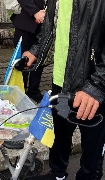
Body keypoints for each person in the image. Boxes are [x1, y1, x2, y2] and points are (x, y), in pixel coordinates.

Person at [23, 0, 105, 179]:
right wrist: (36, 50)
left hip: (92, 86)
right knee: (60, 135)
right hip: (61, 79)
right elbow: (52, 24)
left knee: (92, 147)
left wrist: (99, 84)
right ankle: (57, 174)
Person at [10, 0, 46, 103]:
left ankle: (34, 90)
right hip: (26, 20)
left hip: (46, 23)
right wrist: (35, 12)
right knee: (22, 58)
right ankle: (21, 90)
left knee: (40, 56)